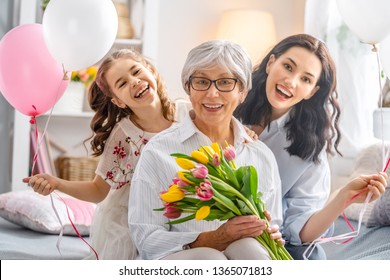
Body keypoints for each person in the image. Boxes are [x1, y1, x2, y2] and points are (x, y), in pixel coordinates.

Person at [234, 33, 388, 259]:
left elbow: (300, 232)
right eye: (287, 66)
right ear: (270, 63)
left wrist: (343, 197)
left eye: (306, 79)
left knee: (312, 256)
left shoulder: (307, 149)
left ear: (312, 91)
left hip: (267, 240)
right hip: (211, 226)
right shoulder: (229, 105)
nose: (291, 81)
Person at [128, 40, 285, 260]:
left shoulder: (260, 155)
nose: (212, 94)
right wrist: (212, 239)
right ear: (188, 88)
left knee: (251, 250)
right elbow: (146, 240)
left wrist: (269, 234)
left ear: (243, 92)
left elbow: (274, 224)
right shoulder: (159, 151)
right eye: (201, 81)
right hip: (177, 259)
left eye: (225, 82)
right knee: (210, 260)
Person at [23, 49, 176, 260]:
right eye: (122, 84)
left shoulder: (188, 115)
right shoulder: (123, 135)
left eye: (136, 71)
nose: (134, 81)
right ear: (118, 102)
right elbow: (97, 190)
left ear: (150, 70)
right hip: (134, 220)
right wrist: (57, 183)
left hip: (183, 211)